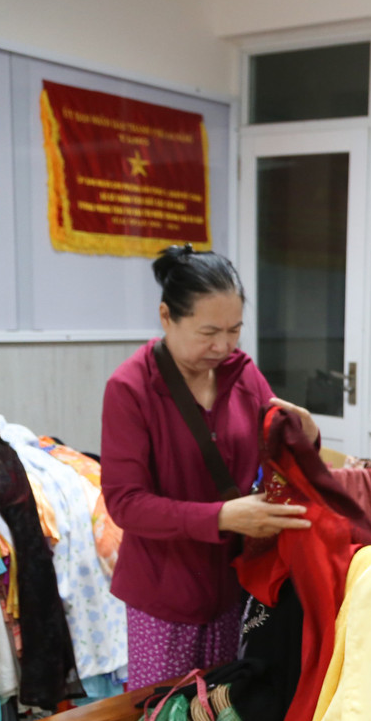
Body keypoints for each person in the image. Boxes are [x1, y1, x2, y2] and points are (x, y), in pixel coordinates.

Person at [102, 245, 318, 689]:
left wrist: (308, 436)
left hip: (231, 586)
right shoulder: (130, 389)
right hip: (163, 595)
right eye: (208, 332)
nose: (223, 346)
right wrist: (223, 516)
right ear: (167, 317)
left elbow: (277, 453)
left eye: (235, 330)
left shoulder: (243, 375)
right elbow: (125, 503)